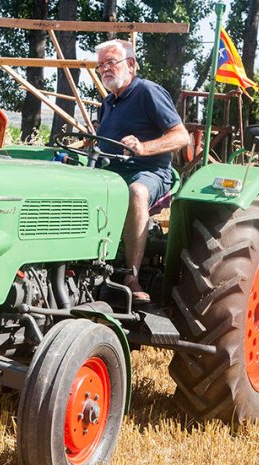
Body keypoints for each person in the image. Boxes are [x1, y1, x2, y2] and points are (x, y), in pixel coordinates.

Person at [93, 39, 190, 302]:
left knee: (135, 192)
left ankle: (130, 276)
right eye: (100, 65)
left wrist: (143, 147)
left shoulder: (148, 92)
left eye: (111, 62)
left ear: (131, 65)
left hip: (149, 172)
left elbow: (182, 137)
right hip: (112, 171)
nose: (105, 69)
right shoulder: (108, 103)